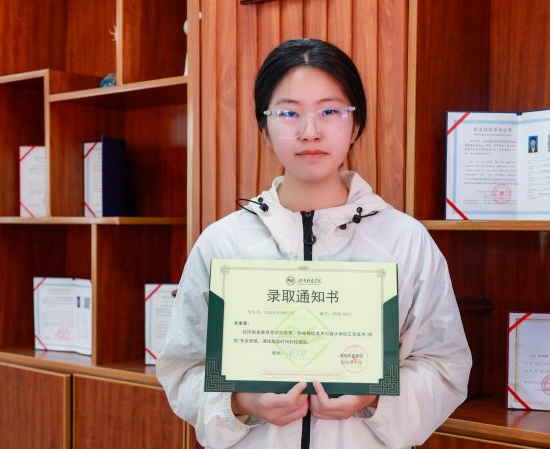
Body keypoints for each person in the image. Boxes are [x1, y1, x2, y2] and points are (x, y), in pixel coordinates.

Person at [157, 38, 471, 449]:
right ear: (264, 129)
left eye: (330, 111)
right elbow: (182, 369)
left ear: (355, 125)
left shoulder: (405, 241)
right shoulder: (223, 243)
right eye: (289, 113)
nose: (310, 132)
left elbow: (444, 366)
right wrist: (243, 401)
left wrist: (373, 398)